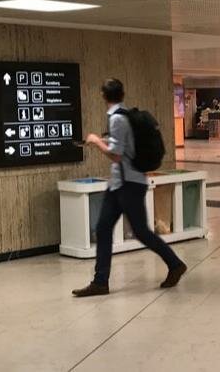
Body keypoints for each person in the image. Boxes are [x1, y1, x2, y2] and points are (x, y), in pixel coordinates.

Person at [72, 78, 187, 297]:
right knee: (104, 228)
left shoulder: (118, 119)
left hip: (128, 184)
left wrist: (96, 141)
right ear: (122, 95)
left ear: (103, 96)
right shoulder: (124, 116)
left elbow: (116, 155)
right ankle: (100, 282)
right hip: (119, 184)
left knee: (141, 231)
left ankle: (175, 264)